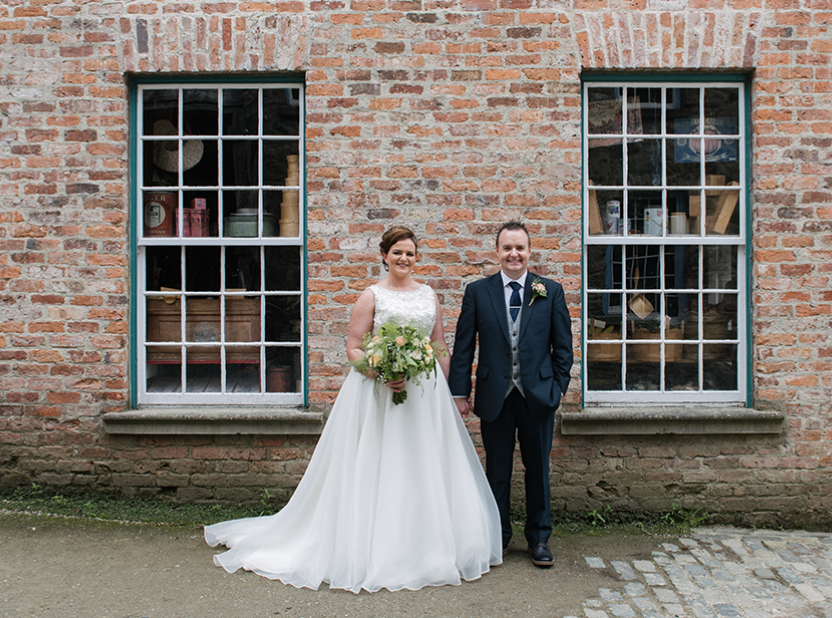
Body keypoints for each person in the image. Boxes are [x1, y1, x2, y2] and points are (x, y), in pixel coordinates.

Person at [205, 225, 502, 593]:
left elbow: (440, 344)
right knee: (383, 464)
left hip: (425, 397)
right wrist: (380, 372)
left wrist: (441, 389)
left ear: (416, 257)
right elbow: (354, 347)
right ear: (384, 255)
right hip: (379, 394)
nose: (404, 259)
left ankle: (427, 543)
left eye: (410, 253)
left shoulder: (429, 296)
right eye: (397, 253)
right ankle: (376, 546)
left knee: (424, 464)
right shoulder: (371, 296)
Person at [449, 221, 573, 568]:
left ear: (530, 251)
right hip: (495, 395)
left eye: (520, 248)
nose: (514, 254)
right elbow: (463, 348)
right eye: (507, 248)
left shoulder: (550, 290)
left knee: (538, 469)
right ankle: (497, 536)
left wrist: (557, 388)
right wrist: (460, 392)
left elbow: (563, 347)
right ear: (497, 252)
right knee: (497, 470)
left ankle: (539, 538)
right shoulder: (478, 292)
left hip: (538, 396)